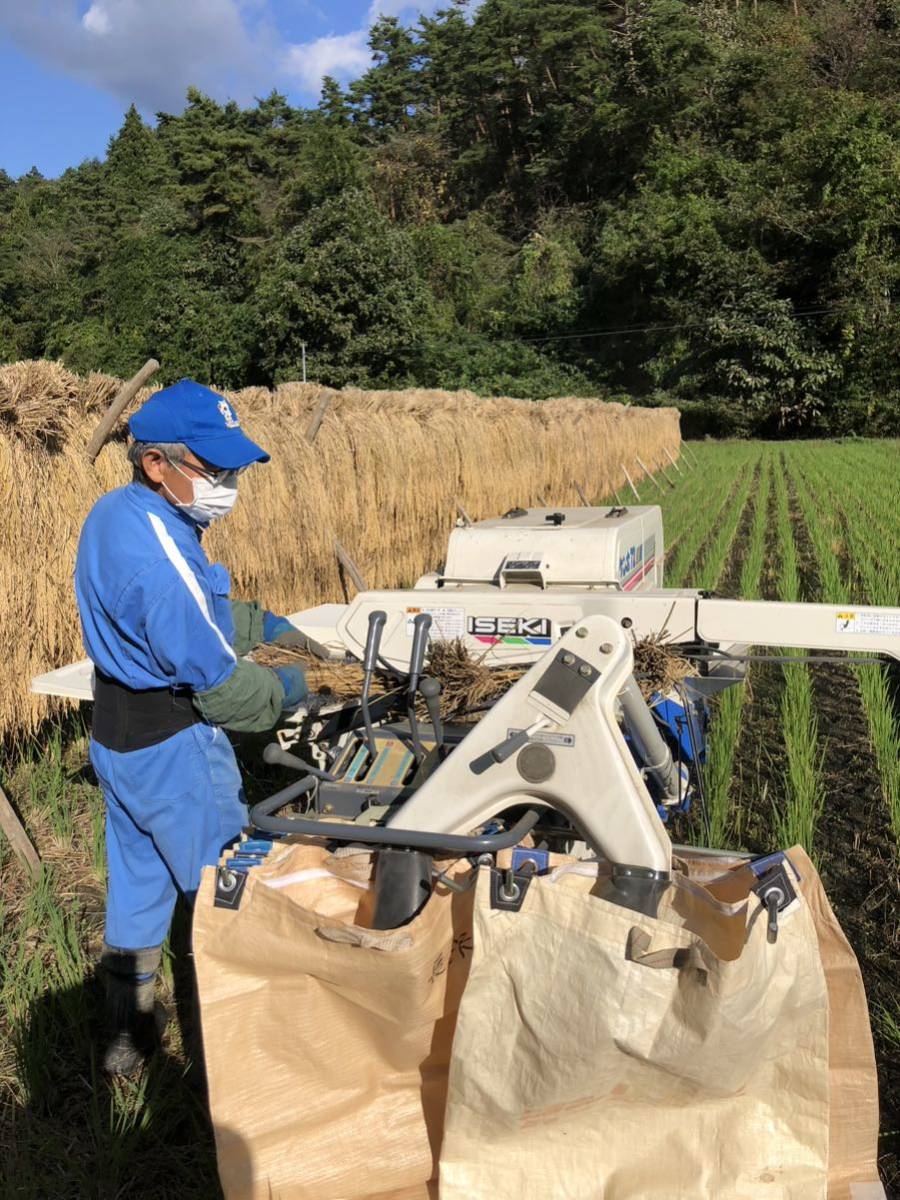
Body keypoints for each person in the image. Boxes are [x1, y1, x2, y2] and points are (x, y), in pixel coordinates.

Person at [75, 378, 309, 1075]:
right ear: (156, 462)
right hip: (175, 749)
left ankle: (127, 1041)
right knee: (227, 903)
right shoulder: (157, 552)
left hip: (118, 741)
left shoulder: (120, 516)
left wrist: (260, 624)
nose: (229, 482)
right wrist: (292, 691)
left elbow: (178, 614)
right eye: (215, 468)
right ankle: (240, 1074)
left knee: (140, 883)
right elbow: (220, 686)